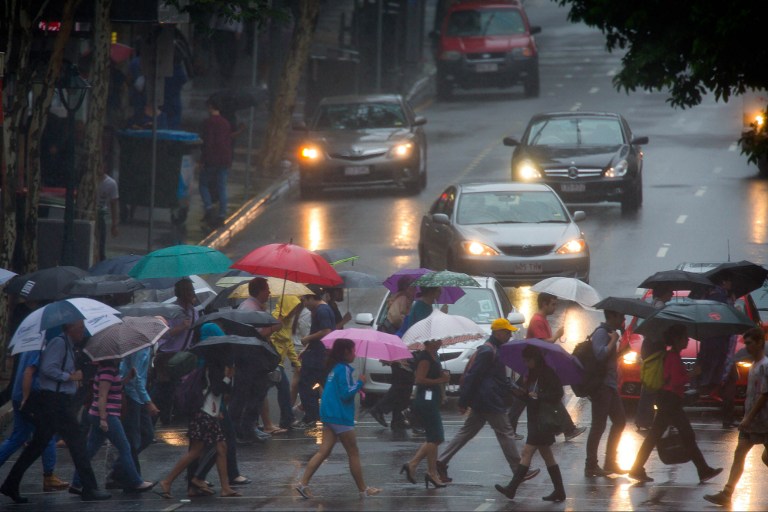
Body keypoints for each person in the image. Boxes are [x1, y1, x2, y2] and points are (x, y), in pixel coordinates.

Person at [0, 321, 111, 504]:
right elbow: (48, 369)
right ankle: (89, 488)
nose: (82, 331)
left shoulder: (68, 345)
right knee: (77, 443)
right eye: (80, 327)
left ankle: (11, 483)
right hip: (55, 402)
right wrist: (69, 376)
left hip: (58, 401)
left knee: (38, 445)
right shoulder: (58, 343)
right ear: (69, 327)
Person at [436, 319, 537, 486]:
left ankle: (440, 462)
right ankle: (519, 470)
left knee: (467, 432)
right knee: (505, 433)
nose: (510, 335)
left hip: (484, 400)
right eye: (507, 332)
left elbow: (497, 377)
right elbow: (473, 377)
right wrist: (463, 401)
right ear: (497, 332)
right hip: (489, 400)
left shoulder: (495, 349)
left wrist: (514, 389)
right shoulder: (488, 351)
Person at [628, 324, 723, 483]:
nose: (687, 340)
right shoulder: (671, 357)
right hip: (670, 401)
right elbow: (675, 381)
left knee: (660, 436)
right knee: (685, 435)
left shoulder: (672, 355)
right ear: (677, 340)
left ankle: (637, 468)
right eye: (685, 337)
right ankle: (703, 470)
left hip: (668, 400)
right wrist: (692, 373)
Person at [157, 332, 241, 499]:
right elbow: (217, 390)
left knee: (219, 448)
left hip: (208, 413)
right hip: (205, 415)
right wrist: (228, 377)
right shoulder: (214, 369)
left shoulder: (210, 368)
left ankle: (225, 487)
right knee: (198, 451)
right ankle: (168, 481)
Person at [295, 338, 381, 499]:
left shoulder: (335, 368)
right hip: (340, 416)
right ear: (346, 352)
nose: (355, 354)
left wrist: (356, 385)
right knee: (353, 453)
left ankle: (302, 483)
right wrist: (360, 384)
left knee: (323, 452)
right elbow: (345, 394)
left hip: (328, 414)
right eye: (353, 351)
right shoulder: (344, 369)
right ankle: (363, 489)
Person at [70, 359, 155, 493]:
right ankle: (136, 481)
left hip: (100, 415)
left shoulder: (108, 372)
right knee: (125, 448)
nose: (121, 358)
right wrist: (103, 418)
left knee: (90, 450)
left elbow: (116, 388)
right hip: (107, 415)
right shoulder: (107, 372)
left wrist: (128, 378)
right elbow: (102, 397)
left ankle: (76, 482)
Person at [704, 327, 768, 506]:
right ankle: (727, 492)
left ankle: (727, 492)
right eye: (745, 343)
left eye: (749, 343)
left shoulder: (764, 366)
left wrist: (748, 417)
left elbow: (764, 394)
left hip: (763, 422)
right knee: (739, 453)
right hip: (752, 422)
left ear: (759, 343)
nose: (746, 346)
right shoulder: (755, 365)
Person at [509, 293, 585, 441]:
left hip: (539, 365)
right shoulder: (537, 320)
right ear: (544, 304)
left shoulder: (541, 319)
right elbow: (543, 343)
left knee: (524, 397)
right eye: (553, 304)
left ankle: (510, 429)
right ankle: (567, 429)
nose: (555, 308)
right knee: (548, 397)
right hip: (536, 366)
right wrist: (557, 334)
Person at [495, 345, 567, 502]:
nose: (526, 364)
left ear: (536, 359)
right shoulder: (531, 374)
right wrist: (516, 391)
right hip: (534, 418)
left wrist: (539, 396)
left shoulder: (548, 373)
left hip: (543, 420)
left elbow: (558, 394)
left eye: (528, 361)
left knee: (527, 452)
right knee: (547, 456)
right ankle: (559, 491)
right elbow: (526, 396)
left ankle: (512, 488)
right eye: (524, 361)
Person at [0, 349, 70, 493]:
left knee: (18, 436)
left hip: (19, 395)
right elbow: (29, 372)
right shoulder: (39, 347)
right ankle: (49, 476)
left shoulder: (30, 345)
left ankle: (48, 476)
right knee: (46, 434)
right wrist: (26, 398)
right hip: (30, 397)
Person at [230, 277, 279, 442]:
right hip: (252, 360)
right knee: (252, 395)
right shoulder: (252, 310)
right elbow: (259, 334)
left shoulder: (248, 306)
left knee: (245, 395)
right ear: (260, 291)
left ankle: (243, 429)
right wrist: (274, 327)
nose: (270, 293)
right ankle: (244, 430)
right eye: (267, 289)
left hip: (247, 359)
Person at [400, 338, 451, 489]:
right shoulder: (425, 358)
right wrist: (440, 379)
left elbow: (435, 375)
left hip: (433, 398)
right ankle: (431, 472)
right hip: (425, 399)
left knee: (434, 438)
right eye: (437, 340)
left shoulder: (435, 356)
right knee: (435, 437)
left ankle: (413, 464)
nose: (441, 342)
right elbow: (420, 379)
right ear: (429, 342)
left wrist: (442, 378)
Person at [584, 309, 628, 477]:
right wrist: (613, 341)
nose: (623, 318)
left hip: (610, 385)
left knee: (620, 421)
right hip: (601, 386)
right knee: (598, 426)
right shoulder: (602, 333)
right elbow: (600, 354)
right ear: (612, 316)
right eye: (621, 315)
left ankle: (610, 461)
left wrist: (621, 346)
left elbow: (610, 358)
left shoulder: (611, 333)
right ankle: (591, 465)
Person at [109, 345, 158, 488]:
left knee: (146, 436)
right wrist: (148, 401)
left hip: (138, 396)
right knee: (133, 440)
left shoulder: (147, 347)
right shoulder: (140, 348)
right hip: (133, 396)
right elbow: (136, 378)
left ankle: (120, 470)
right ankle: (132, 479)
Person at [152, 278, 198, 425]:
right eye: (190, 290)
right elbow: (162, 334)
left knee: (178, 390)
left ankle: (171, 417)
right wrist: (180, 328)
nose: (193, 293)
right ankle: (152, 418)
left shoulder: (194, 312)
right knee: (162, 390)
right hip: (167, 356)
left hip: (183, 357)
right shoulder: (170, 311)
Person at [635, 284, 674, 432]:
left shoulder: (653, 305)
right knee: (652, 384)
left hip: (649, 348)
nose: (671, 294)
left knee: (652, 384)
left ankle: (649, 418)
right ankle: (646, 419)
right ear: (664, 293)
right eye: (670, 291)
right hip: (655, 349)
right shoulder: (660, 309)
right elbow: (659, 332)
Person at [295, 286, 335, 429]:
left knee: (306, 386)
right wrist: (306, 349)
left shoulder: (322, 310)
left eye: (304, 300)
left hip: (318, 355)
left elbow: (326, 331)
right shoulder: (321, 310)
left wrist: (307, 338)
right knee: (322, 385)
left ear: (312, 297)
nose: (304, 304)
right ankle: (315, 416)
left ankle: (313, 417)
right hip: (317, 353)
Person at [199, 96, 233, 228]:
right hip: (224, 159)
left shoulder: (208, 123)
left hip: (211, 159)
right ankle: (222, 215)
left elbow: (208, 143)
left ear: (211, 107)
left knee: (203, 184)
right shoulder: (225, 123)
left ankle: (208, 207)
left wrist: (202, 160)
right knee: (221, 187)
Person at [96, 168, 119, 262]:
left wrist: (114, 224)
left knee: (100, 245)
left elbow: (114, 204)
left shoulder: (110, 183)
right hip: (87, 213)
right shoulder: (88, 179)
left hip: (100, 216)